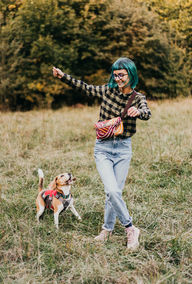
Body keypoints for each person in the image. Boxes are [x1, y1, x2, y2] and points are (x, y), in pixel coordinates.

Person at [52, 57, 151, 250]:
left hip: (123, 150)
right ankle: (130, 228)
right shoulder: (108, 90)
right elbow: (85, 88)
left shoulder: (138, 98)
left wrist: (138, 112)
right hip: (103, 148)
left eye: (121, 75)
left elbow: (147, 112)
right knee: (112, 190)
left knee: (113, 194)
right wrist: (63, 76)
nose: (118, 78)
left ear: (130, 74)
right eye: (115, 75)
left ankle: (107, 230)